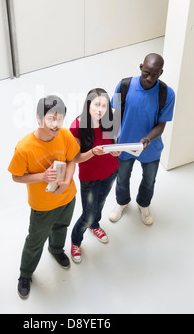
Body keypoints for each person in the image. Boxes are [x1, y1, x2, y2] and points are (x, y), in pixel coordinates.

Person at [8, 95, 80, 299]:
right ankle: (25, 274)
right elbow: (15, 176)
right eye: (51, 118)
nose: (56, 124)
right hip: (43, 205)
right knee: (35, 241)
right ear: (39, 118)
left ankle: (56, 249)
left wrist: (67, 180)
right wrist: (41, 176)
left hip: (67, 197)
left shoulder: (65, 135)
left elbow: (72, 159)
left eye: (60, 118)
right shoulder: (24, 147)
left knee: (61, 227)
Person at [109, 54, 175, 225]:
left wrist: (147, 139)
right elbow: (114, 114)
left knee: (149, 180)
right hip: (124, 145)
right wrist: (112, 139)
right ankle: (121, 202)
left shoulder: (167, 94)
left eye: (155, 74)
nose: (149, 78)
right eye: (146, 73)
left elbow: (161, 125)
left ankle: (144, 205)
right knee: (122, 177)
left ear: (161, 73)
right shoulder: (123, 85)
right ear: (140, 67)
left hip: (150, 148)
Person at [69, 88, 120, 263]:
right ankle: (76, 240)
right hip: (89, 178)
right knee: (88, 213)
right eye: (96, 104)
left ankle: (94, 225)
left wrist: (116, 151)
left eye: (104, 106)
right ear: (88, 104)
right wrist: (92, 152)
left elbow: (111, 143)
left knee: (100, 203)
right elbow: (75, 158)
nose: (100, 110)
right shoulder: (77, 127)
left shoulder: (109, 121)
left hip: (110, 171)